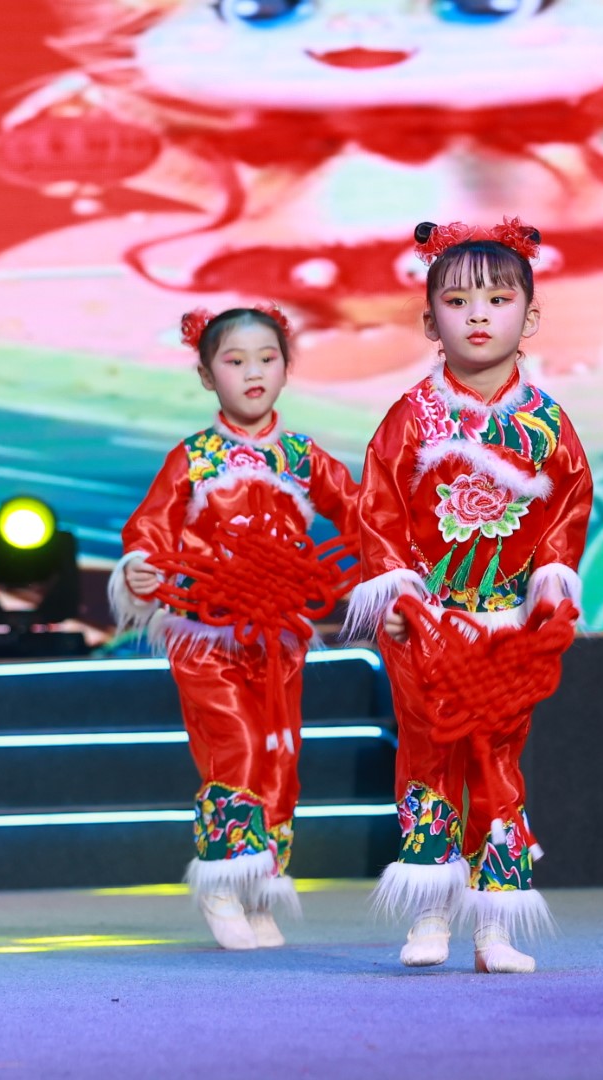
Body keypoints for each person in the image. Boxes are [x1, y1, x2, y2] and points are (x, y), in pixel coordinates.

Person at [344, 219, 593, 974]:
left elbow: (565, 518)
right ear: (430, 322)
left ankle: (495, 927)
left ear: (531, 316)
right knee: (429, 754)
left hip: (508, 625)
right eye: (456, 302)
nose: (477, 315)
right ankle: (429, 913)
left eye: (497, 299)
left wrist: (550, 598)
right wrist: (396, 598)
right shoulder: (409, 419)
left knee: (500, 761)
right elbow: (377, 513)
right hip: (426, 621)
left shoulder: (549, 426)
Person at [111, 305, 359, 950]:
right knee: (235, 745)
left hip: (279, 638)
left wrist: (386, 571)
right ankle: (222, 879)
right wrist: (140, 568)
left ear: (286, 368)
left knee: (279, 756)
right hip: (206, 634)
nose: (253, 372)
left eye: (267, 358)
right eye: (235, 360)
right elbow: (149, 530)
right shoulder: (193, 459)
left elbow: (363, 515)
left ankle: (259, 885)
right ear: (206, 375)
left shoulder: (304, 458)